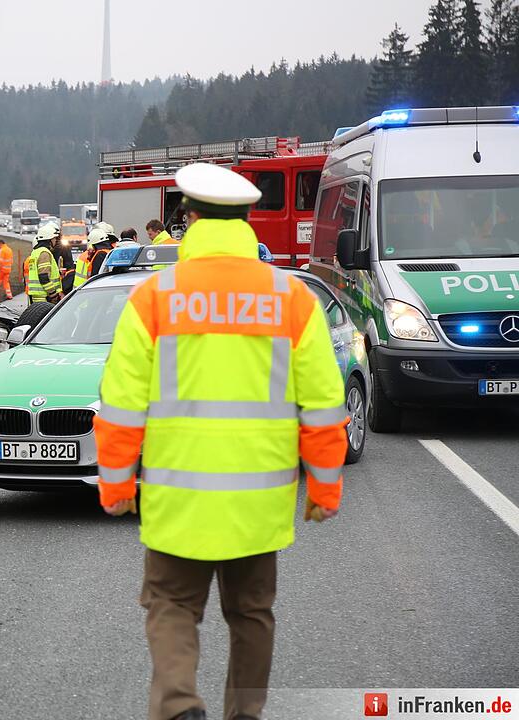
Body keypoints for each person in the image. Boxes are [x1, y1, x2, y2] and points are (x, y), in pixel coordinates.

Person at [94, 162, 348, 720]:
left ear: (188, 219)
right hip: (258, 504)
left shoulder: (154, 297)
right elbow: (326, 405)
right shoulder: (291, 298)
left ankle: (181, 705)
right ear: (248, 220)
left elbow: (120, 405)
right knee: (252, 614)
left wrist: (115, 483)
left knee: (171, 606)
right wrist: (325, 488)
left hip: (177, 500)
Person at [27, 223, 62, 304]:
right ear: (49, 239)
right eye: (54, 239)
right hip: (44, 298)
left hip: (37, 297)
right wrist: (53, 294)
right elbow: (44, 277)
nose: (55, 241)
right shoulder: (44, 253)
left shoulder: (35, 252)